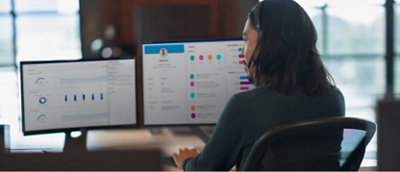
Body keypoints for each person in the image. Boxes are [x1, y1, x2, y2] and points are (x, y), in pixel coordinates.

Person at [173, 0, 345, 170]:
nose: (242, 52)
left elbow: (204, 169)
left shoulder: (245, 106)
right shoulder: (335, 99)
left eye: (247, 41)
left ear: (268, 45)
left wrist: (187, 162)